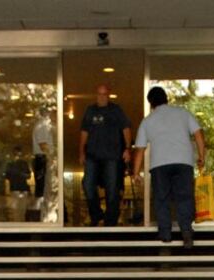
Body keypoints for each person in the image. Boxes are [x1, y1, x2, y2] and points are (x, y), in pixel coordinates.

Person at [131, 86, 206, 247]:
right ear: (166, 98)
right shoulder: (183, 113)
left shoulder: (147, 121)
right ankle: (186, 231)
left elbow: (140, 150)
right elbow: (198, 134)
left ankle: (165, 234)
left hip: (159, 164)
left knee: (161, 199)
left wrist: (136, 172)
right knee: (184, 197)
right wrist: (201, 156)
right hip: (183, 162)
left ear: (150, 103)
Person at [78, 84, 131, 226]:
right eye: (99, 94)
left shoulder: (116, 110)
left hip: (112, 156)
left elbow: (126, 129)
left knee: (112, 188)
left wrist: (127, 148)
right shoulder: (90, 111)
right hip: (92, 156)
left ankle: (111, 220)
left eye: (104, 94)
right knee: (88, 184)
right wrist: (81, 151)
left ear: (109, 95)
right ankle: (96, 215)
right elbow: (84, 132)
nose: (101, 97)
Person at [31, 109, 54, 200]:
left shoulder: (46, 126)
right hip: (43, 159)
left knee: (45, 188)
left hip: (44, 159)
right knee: (43, 188)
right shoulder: (41, 126)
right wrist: (53, 156)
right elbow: (43, 145)